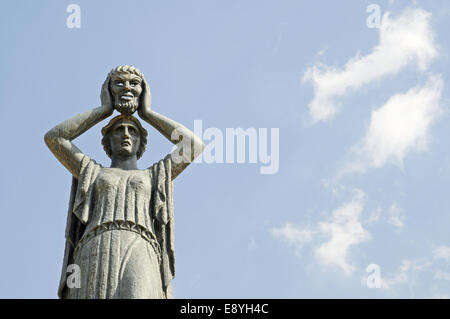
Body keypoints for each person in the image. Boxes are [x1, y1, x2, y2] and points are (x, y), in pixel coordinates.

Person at [44, 65, 204, 299]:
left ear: (141, 143)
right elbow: (55, 138)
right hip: (95, 248)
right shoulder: (91, 171)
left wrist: (147, 113)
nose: (126, 134)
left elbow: (192, 146)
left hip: (140, 246)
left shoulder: (154, 174)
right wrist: (104, 109)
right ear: (107, 142)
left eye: (133, 130)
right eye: (119, 130)